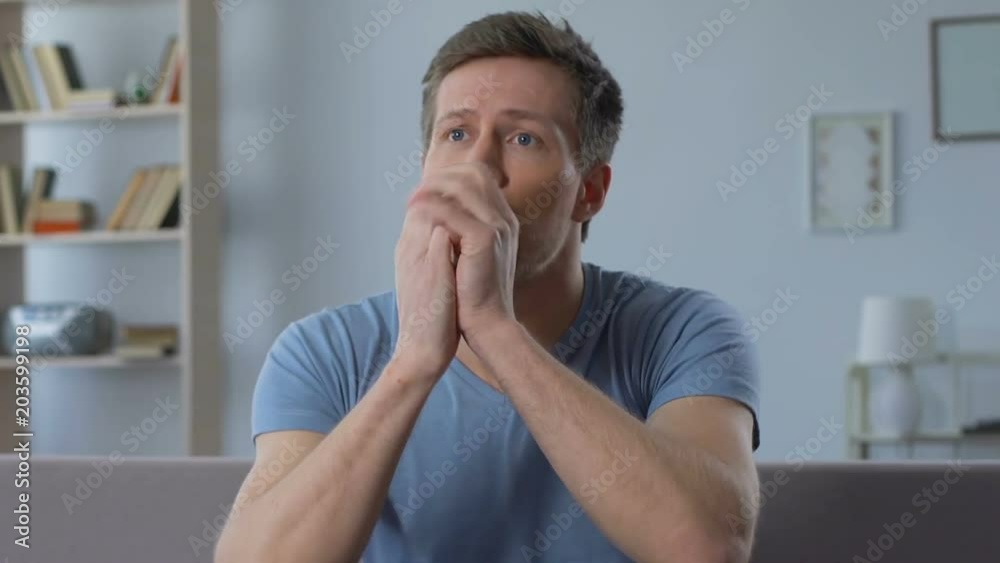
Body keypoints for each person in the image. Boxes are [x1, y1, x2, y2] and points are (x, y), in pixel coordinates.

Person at [216, 10, 761, 563]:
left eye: (523, 138)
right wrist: (412, 362)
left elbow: (708, 547)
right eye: (455, 134)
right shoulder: (322, 351)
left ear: (590, 191)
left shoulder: (685, 330)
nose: (477, 168)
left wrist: (493, 328)